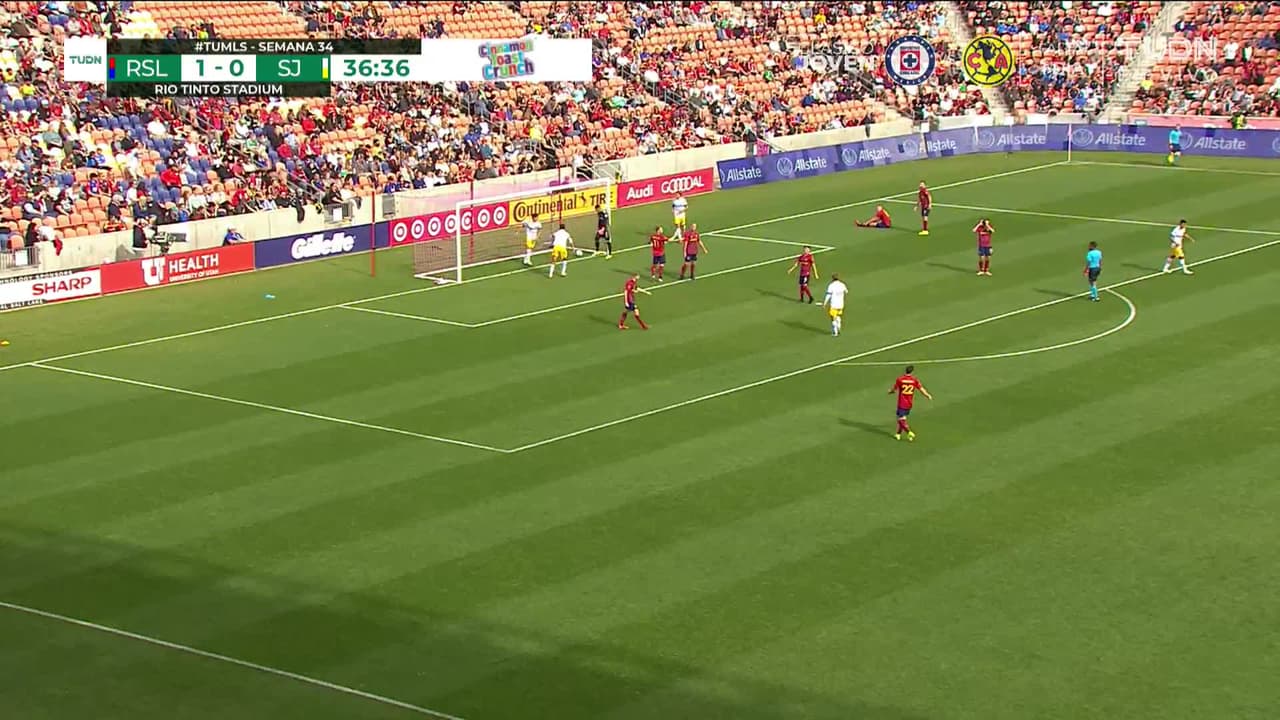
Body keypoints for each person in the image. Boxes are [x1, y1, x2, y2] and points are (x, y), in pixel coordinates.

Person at [890, 365, 933, 441]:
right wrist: (927, 395)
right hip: (909, 403)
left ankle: (909, 432)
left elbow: (894, 389)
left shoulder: (900, 379)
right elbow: (921, 389)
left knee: (900, 419)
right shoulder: (914, 380)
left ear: (905, 371)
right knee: (903, 418)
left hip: (902, 403)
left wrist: (890, 391)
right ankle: (898, 434)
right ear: (912, 372)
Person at [822, 272, 849, 337]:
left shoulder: (831, 286)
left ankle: (835, 332)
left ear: (832, 278)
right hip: (841, 304)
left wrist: (824, 303)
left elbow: (828, 295)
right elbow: (846, 291)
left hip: (834, 304)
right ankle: (839, 325)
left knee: (833, 318)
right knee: (838, 315)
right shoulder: (842, 284)